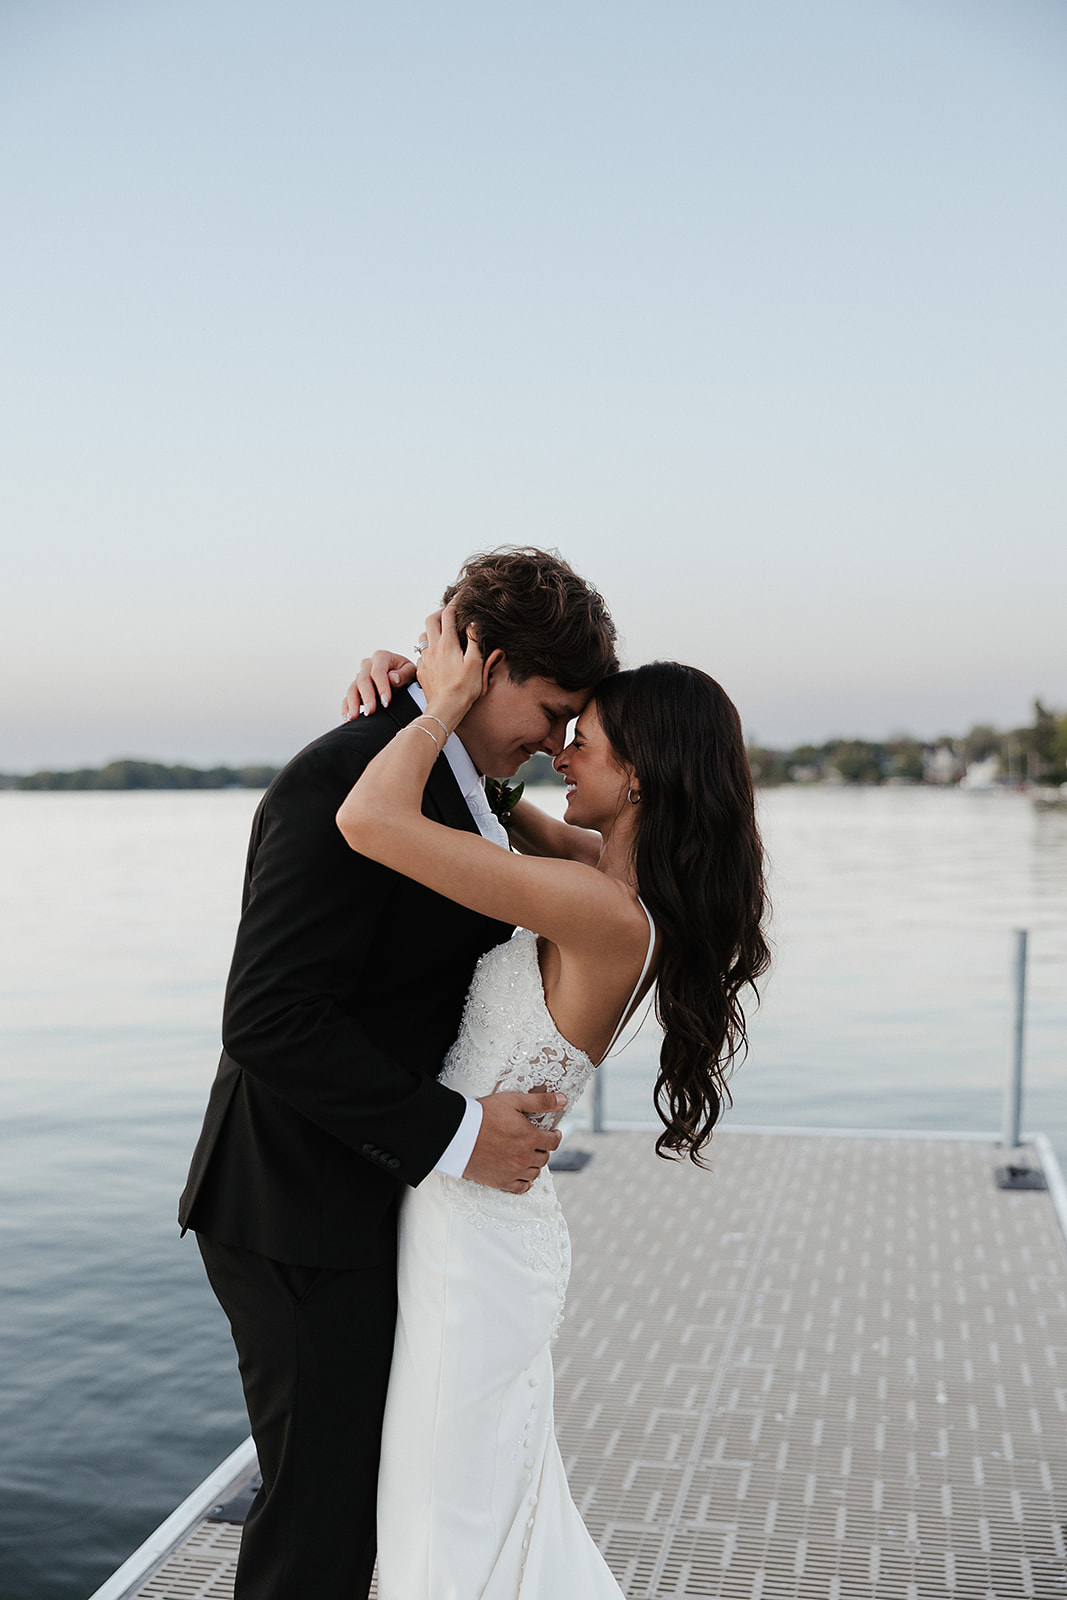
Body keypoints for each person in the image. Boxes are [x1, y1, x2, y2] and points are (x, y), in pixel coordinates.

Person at [178, 548, 619, 1600]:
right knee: (317, 1527)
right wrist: (461, 1134)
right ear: (488, 664)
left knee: (364, 1509)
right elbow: (269, 1018)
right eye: (550, 708)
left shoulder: (460, 786)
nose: (555, 741)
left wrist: (433, 712)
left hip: (369, 1199)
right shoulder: (344, 774)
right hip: (295, 1209)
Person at [337, 606, 770, 1598]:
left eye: (587, 742)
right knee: (475, 1510)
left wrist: (442, 701)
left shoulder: (600, 911)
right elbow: (485, 795)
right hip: (477, 1225)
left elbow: (370, 821)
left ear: (639, 777)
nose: (562, 754)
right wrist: (403, 691)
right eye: (562, 729)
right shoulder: (598, 880)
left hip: (476, 1246)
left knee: (446, 1521)